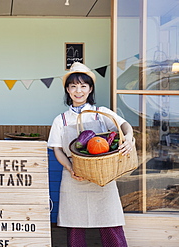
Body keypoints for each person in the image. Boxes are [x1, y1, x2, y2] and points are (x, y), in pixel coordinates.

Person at [47, 62, 134, 247]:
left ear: (90, 89)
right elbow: (57, 149)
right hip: (74, 177)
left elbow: (125, 126)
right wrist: (71, 169)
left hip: (103, 176)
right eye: (73, 86)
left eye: (83, 86)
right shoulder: (60, 120)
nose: (78, 91)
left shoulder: (100, 113)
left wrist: (129, 137)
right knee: (75, 225)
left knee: (110, 222)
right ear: (68, 90)